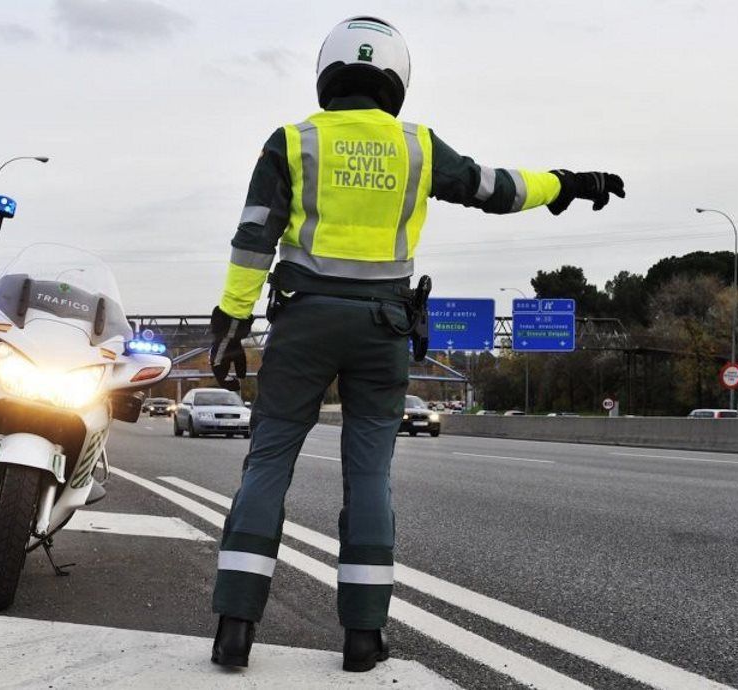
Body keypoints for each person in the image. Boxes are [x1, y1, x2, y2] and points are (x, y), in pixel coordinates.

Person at [207, 16, 625, 672]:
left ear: (327, 73)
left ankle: (235, 626)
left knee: (268, 465)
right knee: (368, 476)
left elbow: (254, 236)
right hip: (382, 332)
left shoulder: (291, 142)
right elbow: (496, 187)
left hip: (303, 325)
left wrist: (229, 325)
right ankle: (364, 637)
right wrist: (569, 183)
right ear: (396, 79)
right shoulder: (418, 146)